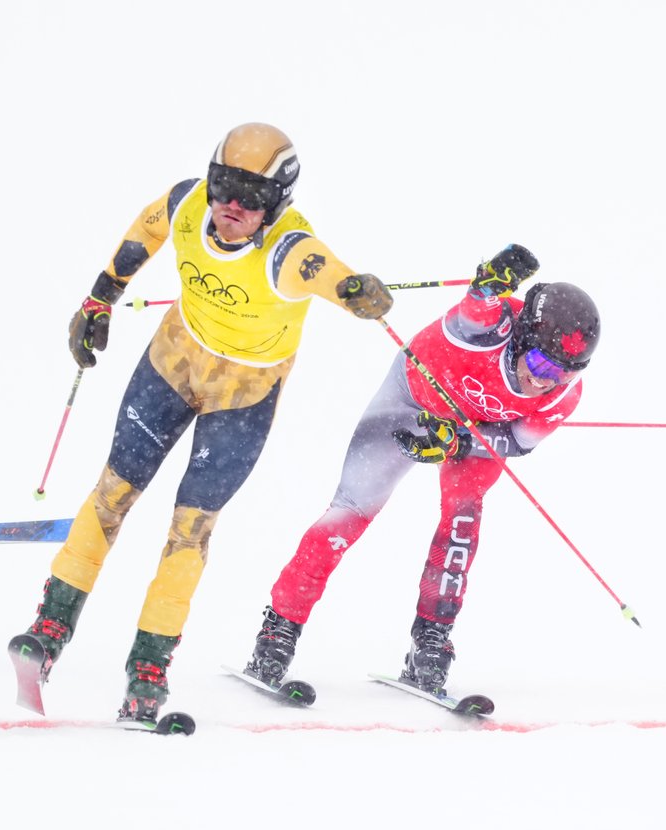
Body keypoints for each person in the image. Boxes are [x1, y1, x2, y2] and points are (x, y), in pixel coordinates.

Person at [10, 123, 394, 725]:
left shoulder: (289, 251)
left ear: (278, 204)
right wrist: (97, 301)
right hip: (172, 362)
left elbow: (332, 276)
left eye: (253, 196)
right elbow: (145, 231)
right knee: (112, 492)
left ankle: (149, 669)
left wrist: (358, 292)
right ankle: (49, 628)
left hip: (243, 394)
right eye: (225, 187)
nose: (232, 206)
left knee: (191, 528)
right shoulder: (189, 203)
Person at [242, 244, 601, 696]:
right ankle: (278, 632)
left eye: (564, 372)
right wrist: (486, 285)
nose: (546, 380)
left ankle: (430, 643)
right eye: (540, 362)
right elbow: (476, 307)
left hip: (477, 432)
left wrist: (459, 441)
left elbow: (518, 441)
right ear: (522, 339)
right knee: (349, 513)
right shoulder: (489, 328)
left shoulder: (563, 394)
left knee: (463, 519)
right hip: (411, 399)